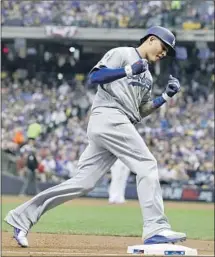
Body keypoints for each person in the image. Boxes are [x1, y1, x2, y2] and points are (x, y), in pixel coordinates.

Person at [5, 26, 186, 248]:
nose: (164, 53)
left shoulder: (147, 75)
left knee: (83, 183)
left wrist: (165, 97)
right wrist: (129, 70)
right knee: (147, 164)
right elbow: (95, 76)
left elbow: (139, 112)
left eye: (167, 51)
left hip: (120, 122)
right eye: (164, 47)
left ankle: (21, 218)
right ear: (151, 39)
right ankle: (155, 228)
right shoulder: (123, 54)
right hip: (108, 115)